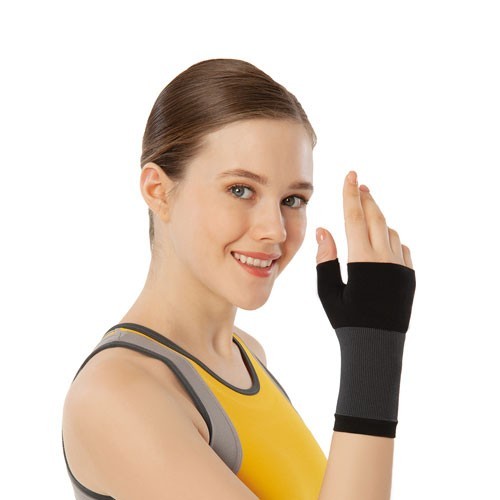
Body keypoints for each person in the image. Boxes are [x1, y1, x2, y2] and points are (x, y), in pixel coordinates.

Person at [62, 58, 416, 499]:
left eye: (293, 199)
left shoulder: (247, 355)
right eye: (240, 190)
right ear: (157, 190)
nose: (275, 230)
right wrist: (373, 349)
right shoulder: (116, 395)